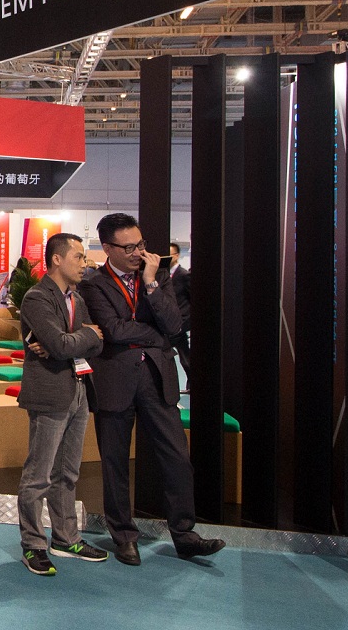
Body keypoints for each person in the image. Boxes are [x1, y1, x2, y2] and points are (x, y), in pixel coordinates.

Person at [79, 212, 224, 566]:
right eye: (128, 247)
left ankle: (185, 535)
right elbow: (113, 331)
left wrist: (150, 284)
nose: (137, 253)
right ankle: (124, 536)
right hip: (114, 382)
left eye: (140, 244)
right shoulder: (94, 284)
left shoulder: (157, 276)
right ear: (108, 248)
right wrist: (155, 335)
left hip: (158, 379)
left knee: (177, 458)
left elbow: (174, 325)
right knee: (114, 463)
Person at [15, 232, 108, 575]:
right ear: (57, 259)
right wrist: (82, 337)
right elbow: (62, 344)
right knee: (38, 475)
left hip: (79, 390)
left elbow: (93, 344)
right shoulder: (37, 298)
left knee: (67, 473)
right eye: (78, 256)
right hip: (49, 393)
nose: (84, 263)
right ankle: (33, 544)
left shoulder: (77, 299)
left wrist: (72, 341)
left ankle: (66, 538)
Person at [164, 242, 193, 384]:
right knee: (184, 355)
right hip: (170, 322)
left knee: (182, 355)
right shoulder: (164, 275)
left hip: (181, 322)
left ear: (176, 256)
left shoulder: (184, 275)